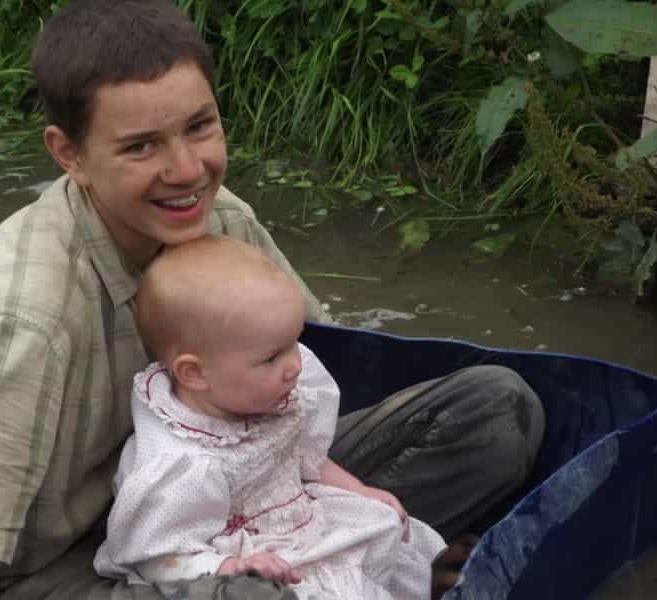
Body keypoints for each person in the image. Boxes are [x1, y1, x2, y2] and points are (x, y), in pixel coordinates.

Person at [0, 1, 544, 599]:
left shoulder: (212, 214)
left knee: (494, 411)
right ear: (71, 154)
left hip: (228, 489)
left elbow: (292, 371)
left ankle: (353, 565)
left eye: (199, 127)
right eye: (141, 145)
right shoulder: (23, 317)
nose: (186, 169)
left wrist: (347, 493)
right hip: (64, 567)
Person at [94, 235, 448, 599]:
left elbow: (303, 458)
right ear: (195, 374)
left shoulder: (260, 392)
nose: (294, 365)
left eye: (294, 341)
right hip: (243, 559)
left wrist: (359, 490)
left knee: (385, 527)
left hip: (300, 519)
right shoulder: (183, 464)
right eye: (271, 358)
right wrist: (226, 569)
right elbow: (156, 556)